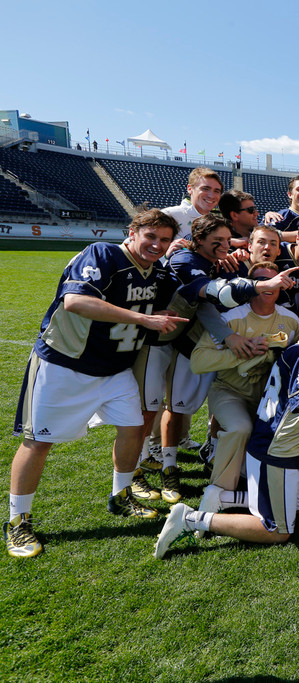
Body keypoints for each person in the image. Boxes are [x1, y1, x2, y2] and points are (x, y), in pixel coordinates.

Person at [7, 209, 188, 558]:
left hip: (115, 370)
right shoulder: (103, 254)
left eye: (164, 240)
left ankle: (120, 495)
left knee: (133, 428)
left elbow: (191, 291)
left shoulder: (158, 273)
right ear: (132, 231)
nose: (157, 245)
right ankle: (18, 521)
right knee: (38, 442)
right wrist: (142, 318)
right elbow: (75, 301)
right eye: (151, 236)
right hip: (66, 364)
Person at [154, 309, 299, 557]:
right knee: (277, 530)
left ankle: (223, 498)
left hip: (281, 444)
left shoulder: (298, 351)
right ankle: (192, 519)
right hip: (277, 449)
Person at [189, 261, 299, 523]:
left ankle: (255, 485)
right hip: (229, 390)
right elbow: (198, 361)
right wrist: (240, 353)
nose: (269, 284)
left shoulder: (291, 321)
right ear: (252, 286)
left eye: (273, 279)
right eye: (262, 279)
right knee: (241, 428)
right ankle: (217, 494)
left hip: (268, 398)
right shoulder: (231, 318)